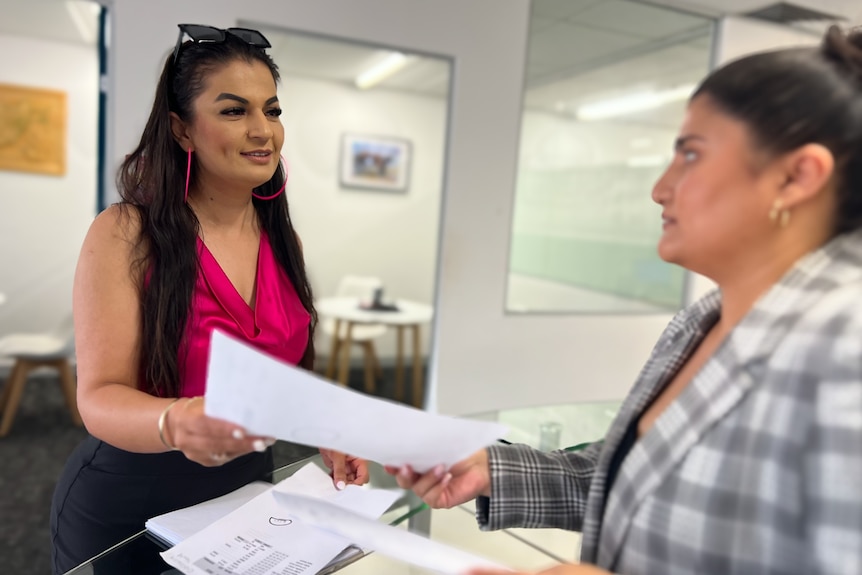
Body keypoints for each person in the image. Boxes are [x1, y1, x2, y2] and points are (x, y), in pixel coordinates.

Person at [392, 25, 862, 575]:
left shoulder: (845, 347)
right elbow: (634, 479)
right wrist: (492, 469)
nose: (660, 189)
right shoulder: (702, 320)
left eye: (690, 154)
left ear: (796, 176)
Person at [50, 24, 368, 574]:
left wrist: (324, 427)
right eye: (233, 111)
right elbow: (98, 397)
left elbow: (273, 376)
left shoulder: (277, 239)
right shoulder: (126, 231)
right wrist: (176, 421)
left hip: (243, 497)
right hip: (131, 506)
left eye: (272, 110)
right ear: (181, 130)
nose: (262, 130)